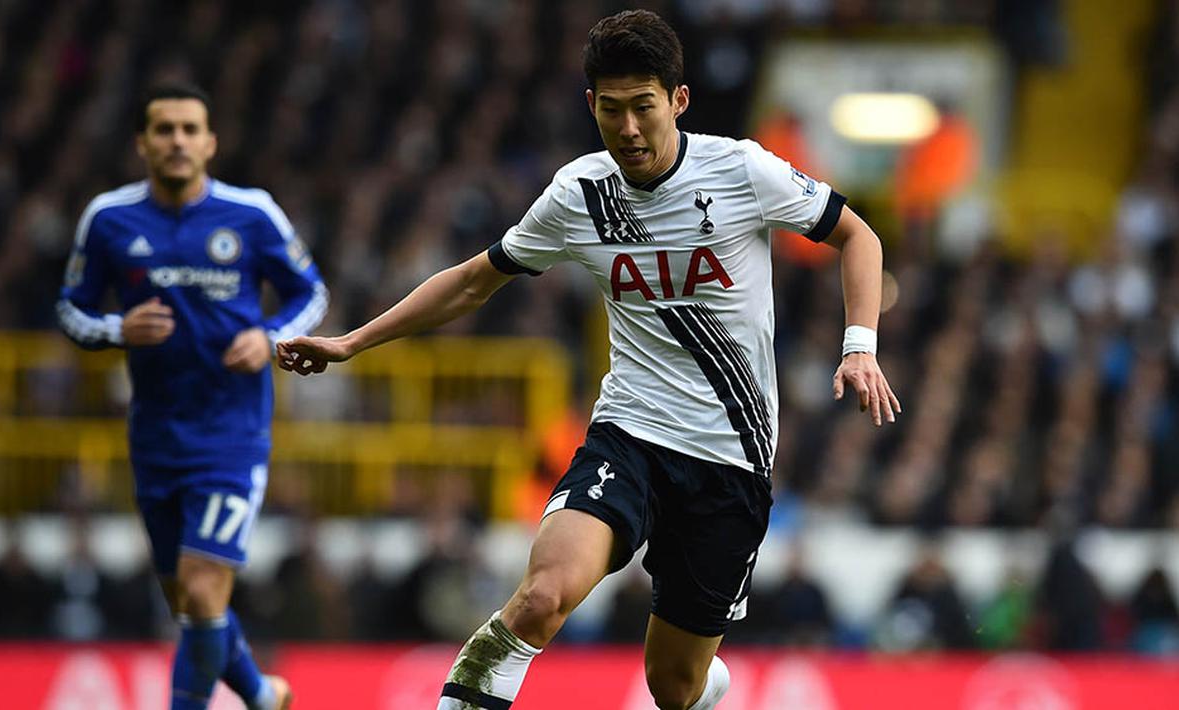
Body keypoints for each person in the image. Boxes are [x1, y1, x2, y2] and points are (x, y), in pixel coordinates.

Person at [279, 10, 899, 710]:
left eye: (643, 107)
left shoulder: (740, 170)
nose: (628, 129)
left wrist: (859, 346)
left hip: (729, 461)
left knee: (673, 687)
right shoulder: (578, 194)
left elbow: (858, 236)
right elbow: (473, 280)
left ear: (678, 100)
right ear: (590, 106)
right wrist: (351, 342)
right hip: (628, 436)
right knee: (541, 597)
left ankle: (702, 685)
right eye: (611, 111)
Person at [58, 81, 327, 710]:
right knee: (188, 601)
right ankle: (262, 695)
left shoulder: (252, 213)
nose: (177, 140)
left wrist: (270, 336)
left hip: (233, 432)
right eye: (163, 129)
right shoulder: (108, 219)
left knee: (205, 592)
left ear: (209, 142)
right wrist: (114, 330)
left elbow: (310, 291)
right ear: (142, 144)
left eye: (188, 129)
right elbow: (70, 309)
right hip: (154, 433)